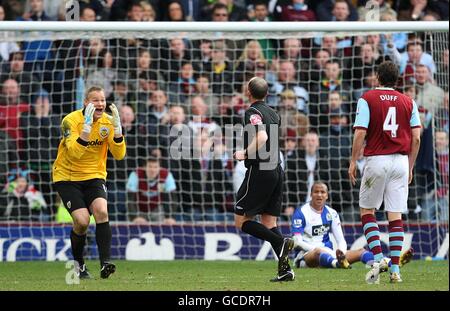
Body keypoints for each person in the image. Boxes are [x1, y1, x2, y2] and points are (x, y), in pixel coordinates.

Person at [348, 61, 421, 284]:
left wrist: (353, 160)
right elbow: (417, 137)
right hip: (400, 161)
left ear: (377, 77)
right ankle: (395, 270)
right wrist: (410, 166)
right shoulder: (409, 101)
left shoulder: (367, 98)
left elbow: (360, 132)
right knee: (395, 215)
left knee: (367, 210)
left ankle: (379, 258)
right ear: (397, 79)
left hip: (377, 160)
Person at [52, 86, 126, 279]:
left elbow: (119, 155)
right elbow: (75, 154)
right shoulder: (70, 121)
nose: (100, 104)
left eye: (102, 100)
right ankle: (79, 266)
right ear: (86, 102)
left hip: (94, 176)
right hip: (68, 177)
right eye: (95, 100)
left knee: (102, 210)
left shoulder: (108, 123)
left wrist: (118, 132)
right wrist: (86, 129)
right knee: (82, 222)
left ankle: (105, 264)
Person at [233, 77, 295, 282]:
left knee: (241, 221)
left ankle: (281, 241)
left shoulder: (253, 112)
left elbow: (262, 137)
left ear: (248, 92)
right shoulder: (273, 113)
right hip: (276, 168)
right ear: (266, 94)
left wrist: (244, 153)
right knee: (269, 221)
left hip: (261, 170)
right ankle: (285, 270)